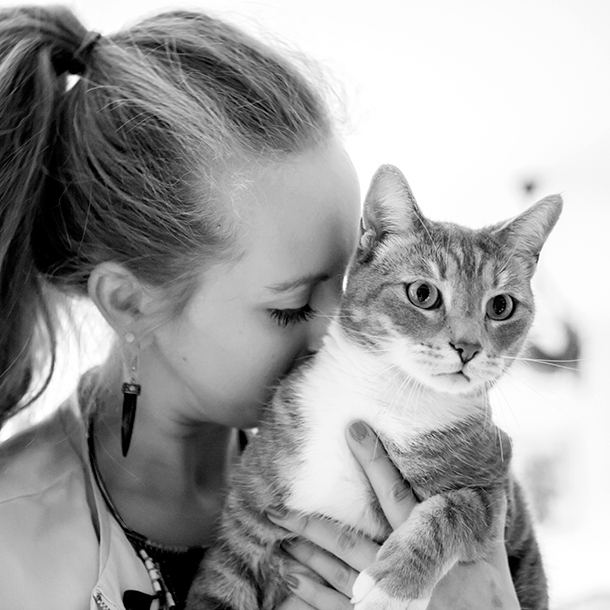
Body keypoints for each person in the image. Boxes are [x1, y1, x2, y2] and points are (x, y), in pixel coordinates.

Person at [0, 5, 521, 610]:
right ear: (128, 301)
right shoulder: (13, 549)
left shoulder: (391, 458)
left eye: (348, 282)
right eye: (294, 306)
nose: (341, 330)